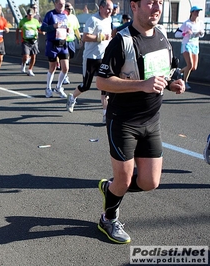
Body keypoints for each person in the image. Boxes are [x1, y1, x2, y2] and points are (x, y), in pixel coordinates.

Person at [95, 0, 185, 244]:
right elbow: (102, 82)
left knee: (150, 182)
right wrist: (141, 85)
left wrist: (175, 82)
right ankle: (108, 218)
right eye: (150, 3)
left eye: (160, 3)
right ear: (134, 6)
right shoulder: (121, 41)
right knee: (123, 180)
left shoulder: (163, 37)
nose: (156, 7)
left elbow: (170, 71)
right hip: (123, 122)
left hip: (152, 120)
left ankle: (110, 189)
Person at [66, 0, 113, 122]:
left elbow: (109, 36)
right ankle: (72, 97)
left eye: (111, 9)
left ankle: (105, 114)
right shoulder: (93, 20)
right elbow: (85, 37)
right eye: (108, 9)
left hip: (103, 57)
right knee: (86, 85)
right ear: (101, 8)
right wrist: (101, 37)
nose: (110, 12)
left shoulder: (109, 20)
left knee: (105, 86)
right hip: (91, 57)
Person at [41, 0, 69, 98]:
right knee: (52, 68)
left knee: (65, 68)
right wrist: (53, 26)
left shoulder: (65, 16)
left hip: (63, 44)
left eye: (63, 4)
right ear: (55, 4)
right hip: (52, 44)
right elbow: (43, 28)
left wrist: (67, 31)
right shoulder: (50, 14)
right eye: (60, 4)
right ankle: (48, 88)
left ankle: (58, 87)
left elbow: (66, 28)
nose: (62, 6)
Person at [174, 6, 205, 90]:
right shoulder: (186, 23)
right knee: (190, 65)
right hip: (186, 44)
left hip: (195, 45)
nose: (197, 13)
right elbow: (176, 34)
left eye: (198, 11)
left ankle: (178, 72)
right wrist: (185, 33)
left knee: (194, 67)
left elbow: (202, 34)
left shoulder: (200, 22)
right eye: (196, 11)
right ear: (192, 12)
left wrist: (200, 33)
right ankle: (185, 82)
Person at [16, 8, 41, 76]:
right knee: (26, 56)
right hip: (25, 41)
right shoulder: (23, 21)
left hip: (34, 41)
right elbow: (18, 29)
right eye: (28, 15)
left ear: (33, 15)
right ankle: (23, 64)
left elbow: (39, 29)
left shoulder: (36, 21)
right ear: (27, 15)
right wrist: (17, 39)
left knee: (33, 56)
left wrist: (42, 31)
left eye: (31, 15)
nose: (30, 16)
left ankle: (30, 69)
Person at [63, 2, 81, 84]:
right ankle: (65, 75)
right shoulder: (62, 16)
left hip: (71, 40)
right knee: (66, 58)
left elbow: (76, 29)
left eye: (71, 9)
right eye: (68, 8)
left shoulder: (73, 17)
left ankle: (63, 70)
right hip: (63, 41)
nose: (69, 10)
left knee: (70, 56)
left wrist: (79, 39)